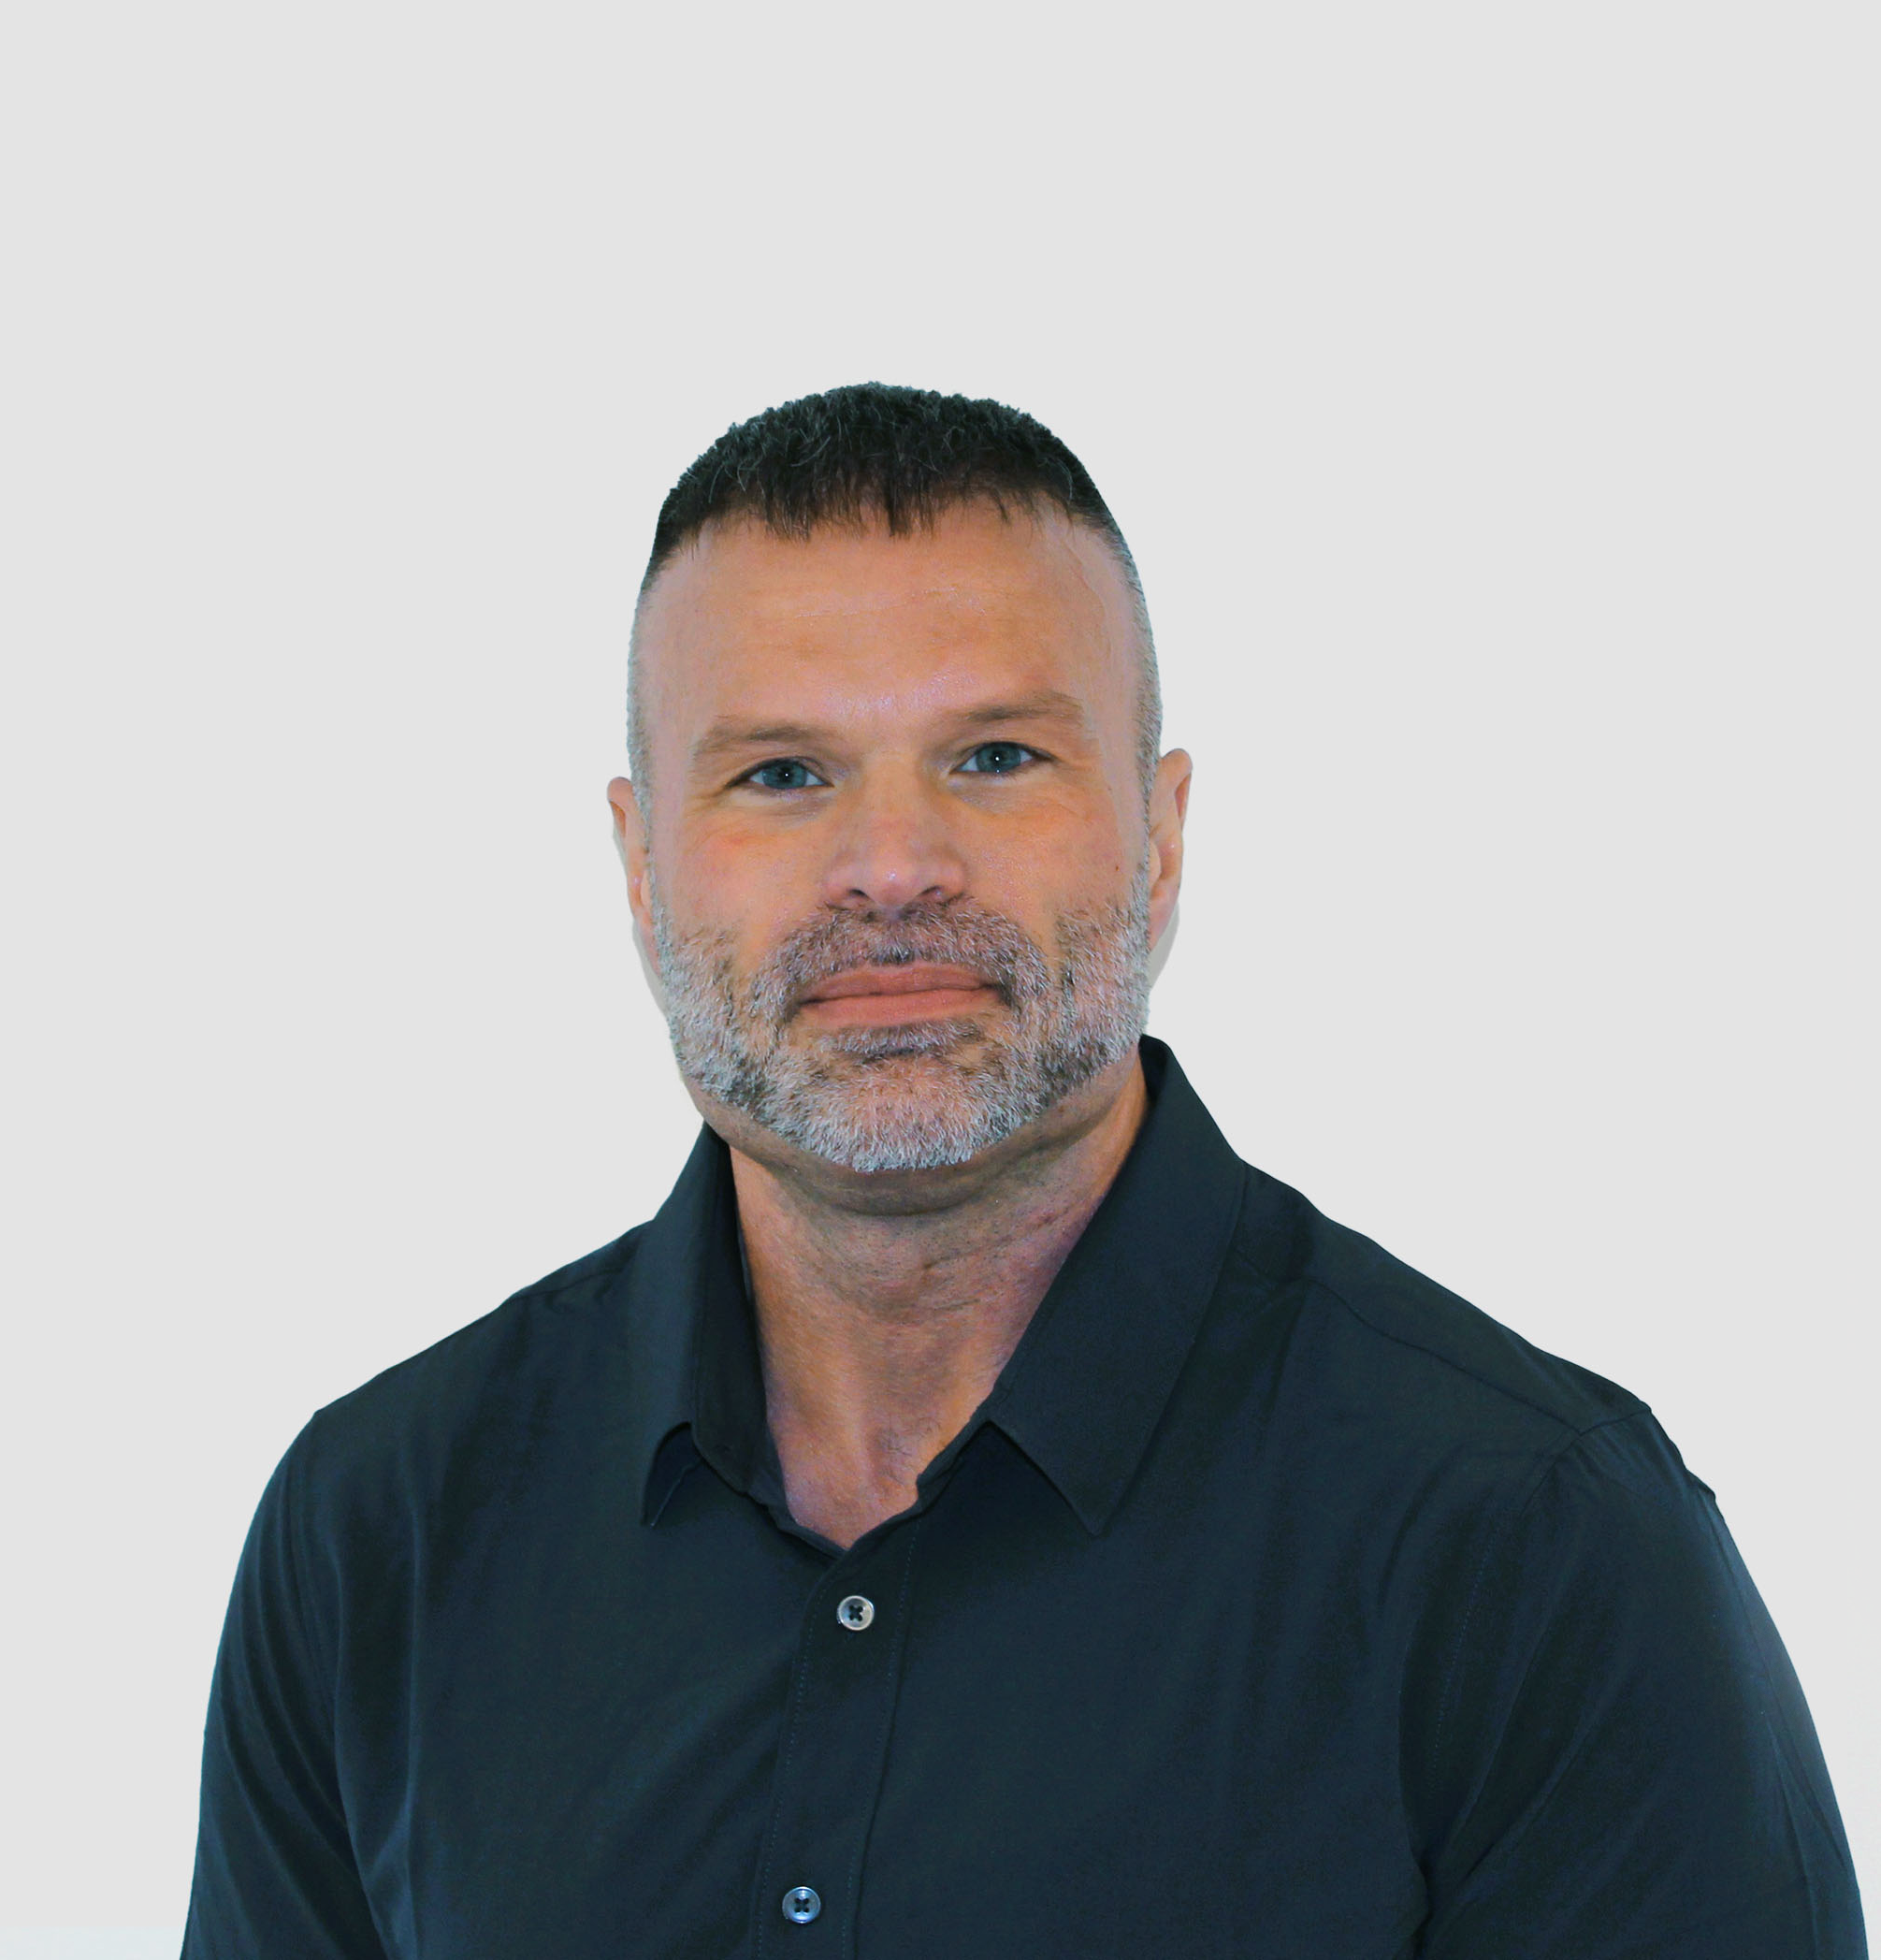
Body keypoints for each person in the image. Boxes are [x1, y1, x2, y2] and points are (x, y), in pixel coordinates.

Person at [181, 383, 1865, 1958]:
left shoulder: (1535, 1550)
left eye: (996, 756)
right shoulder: (376, 1533)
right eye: (781, 773)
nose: (893, 867)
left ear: (1164, 831)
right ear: (639, 861)